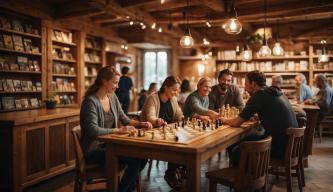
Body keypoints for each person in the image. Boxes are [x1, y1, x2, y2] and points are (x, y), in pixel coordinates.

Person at [80, 66, 153, 192]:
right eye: (115, 82)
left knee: (143, 156)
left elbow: (124, 118)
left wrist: (142, 124)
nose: (117, 86)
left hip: (111, 146)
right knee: (135, 160)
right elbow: (93, 130)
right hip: (94, 150)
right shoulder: (90, 102)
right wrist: (118, 130)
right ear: (104, 81)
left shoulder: (112, 97)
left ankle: (124, 189)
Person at [221, 70, 298, 166]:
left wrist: (223, 119)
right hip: (291, 146)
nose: (245, 88)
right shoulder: (277, 92)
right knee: (244, 140)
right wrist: (259, 116)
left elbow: (237, 122)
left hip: (278, 148)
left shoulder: (259, 95)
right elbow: (272, 113)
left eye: (246, 84)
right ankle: (251, 174)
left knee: (236, 151)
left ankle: (242, 179)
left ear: (253, 84)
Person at [140, 76, 183, 190]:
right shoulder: (153, 98)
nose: (176, 93)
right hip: (152, 136)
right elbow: (150, 117)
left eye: (178, 90)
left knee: (183, 146)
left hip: (166, 135)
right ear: (165, 87)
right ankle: (172, 173)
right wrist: (157, 120)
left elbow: (179, 115)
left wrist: (184, 118)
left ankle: (175, 173)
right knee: (179, 148)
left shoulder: (172, 99)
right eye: (174, 90)